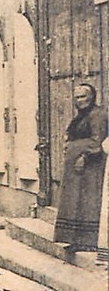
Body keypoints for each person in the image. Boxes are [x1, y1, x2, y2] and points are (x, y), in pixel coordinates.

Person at [53, 83, 108, 253]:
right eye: (77, 97)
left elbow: (97, 140)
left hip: (89, 167)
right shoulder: (81, 116)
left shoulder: (98, 115)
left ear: (92, 97)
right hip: (76, 169)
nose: (80, 101)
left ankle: (88, 240)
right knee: (74, 200)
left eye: (83, 96)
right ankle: (74, 238)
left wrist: (84, 157)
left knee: (87, 201)